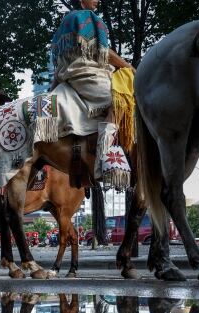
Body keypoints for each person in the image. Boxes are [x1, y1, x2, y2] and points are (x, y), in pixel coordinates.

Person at [51, 0, 134, 182]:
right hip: (89, 76)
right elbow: (105, 53)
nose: (98, 1)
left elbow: (59, 65)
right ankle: (103, 159)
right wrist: (131, 68)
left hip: (71, 77)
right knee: (120, 101)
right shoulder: (87, 18)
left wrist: (52, 89)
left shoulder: (64, 26)